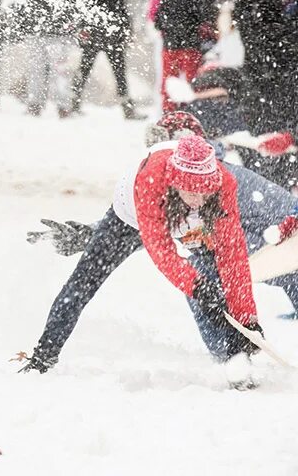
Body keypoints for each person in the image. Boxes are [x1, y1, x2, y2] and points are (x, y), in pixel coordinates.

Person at [24, 113, 298, 379]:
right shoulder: (152, 179)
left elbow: (232, 255)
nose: (198, 198)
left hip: (271, 231)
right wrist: (93, 236)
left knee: (216, 282)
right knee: (86, 282)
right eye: (191, 192)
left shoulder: (224, 182)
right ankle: (43, 356)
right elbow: (158, 244)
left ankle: (236, 359)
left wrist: (246, 318)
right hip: (133, 217)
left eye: (204, 191)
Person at [230, 0, 298, 132]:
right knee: (258, 109)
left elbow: (290, 20)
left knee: (284, 106)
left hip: (283, 57)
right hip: (255, 56)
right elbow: (241, 18)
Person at [69, 0, 141, 119]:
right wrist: (84, 26)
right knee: (84, 68)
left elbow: (120, 5)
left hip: (114, 33)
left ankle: (127, 108)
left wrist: (126, 28)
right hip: (95, 31)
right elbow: (84, 0)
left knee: (120, 72)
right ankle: (73, 103)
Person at [154, 0, 219, 112]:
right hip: (171, 46)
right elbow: (158, 20)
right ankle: (169, 110)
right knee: (169, 81)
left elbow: (202, 18)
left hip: (190, 45)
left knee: (192, 80)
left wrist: (186, 27)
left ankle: (192, 109)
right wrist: (170, 27)